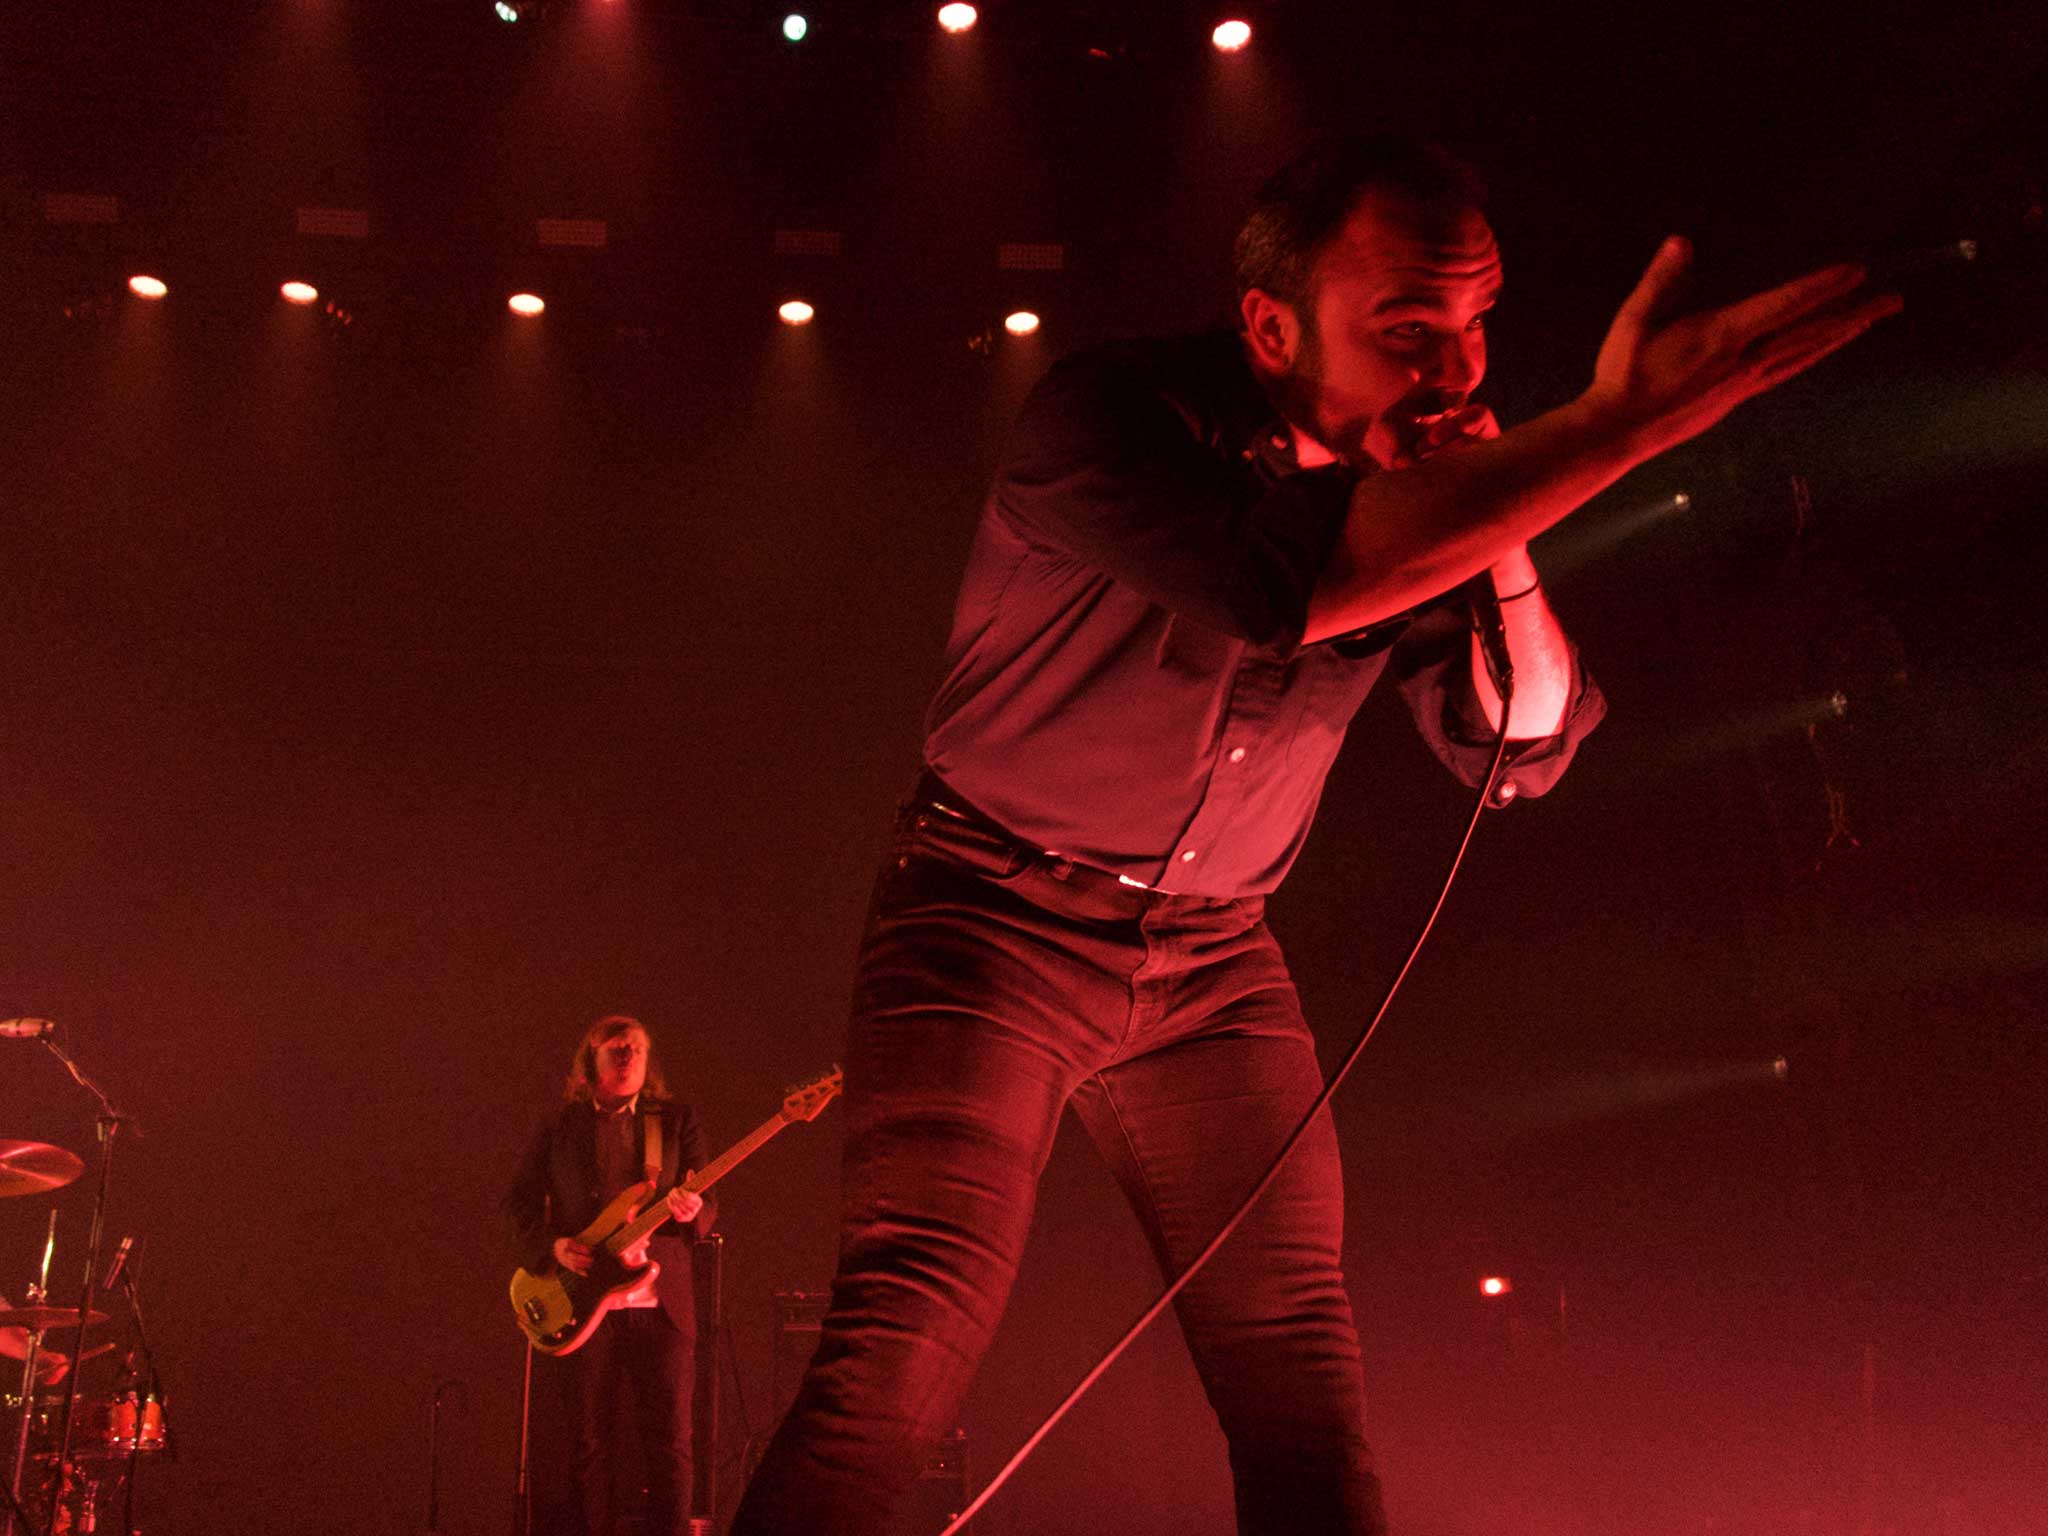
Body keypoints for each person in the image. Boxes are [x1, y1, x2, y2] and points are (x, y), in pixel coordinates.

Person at [730, 137, 1899, 1536]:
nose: (1459, 374)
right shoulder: (1108, 417)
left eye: (1475, 326)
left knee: (1302, 1381)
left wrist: (1505, 536)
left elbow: (1525, 745)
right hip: (991, 919)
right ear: (1272, 326)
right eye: (1409, 331)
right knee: (903, 1342)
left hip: (1213, 959)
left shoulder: (1415, 501)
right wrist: (1617, 427)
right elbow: (1287, 586)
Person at [505, 1015, 717, 1536]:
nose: (629, 1058)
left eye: (638, 1050)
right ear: (590, 1060)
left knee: (670, 1441)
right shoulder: (558, 1125)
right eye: (617, 1049)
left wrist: (694, 1212)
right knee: (588, 1441)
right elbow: (518, 1203)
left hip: (659, 1299)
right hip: (584, 1300)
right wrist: (553, 1247)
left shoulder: (673, 1120)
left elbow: (709, 1202)